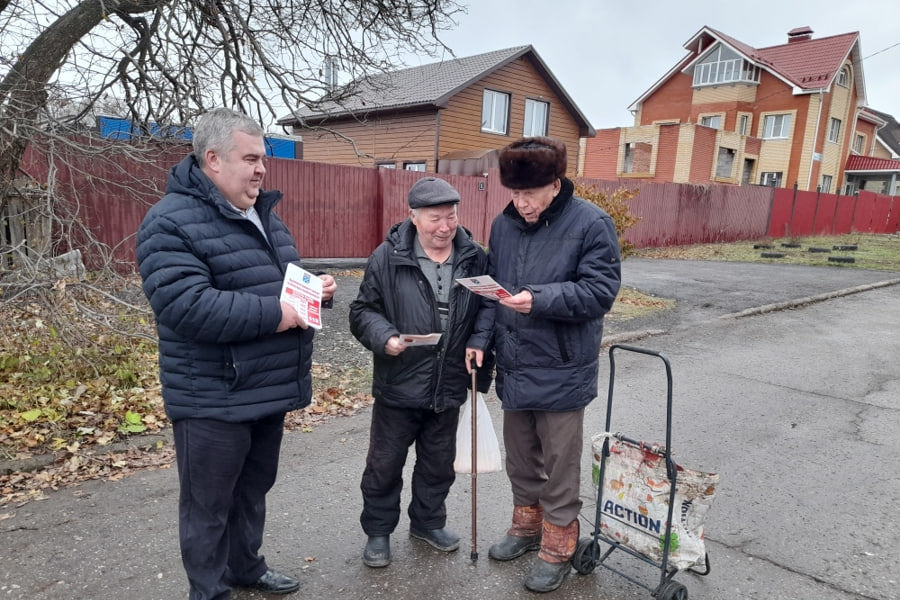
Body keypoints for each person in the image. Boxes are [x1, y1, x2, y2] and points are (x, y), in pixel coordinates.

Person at [136, 107, 337, 600]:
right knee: (208, 506)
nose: (261, 169)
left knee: (252, 491)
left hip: (264, 387)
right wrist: (281, 313)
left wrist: (314, 292)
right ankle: (209, 591)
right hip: (211, 394)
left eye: (262, 158)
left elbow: (277, 282)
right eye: (250, 159)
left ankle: (246, 567)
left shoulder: (264, 215)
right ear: (212, 160)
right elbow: (188, 306)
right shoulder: (168, 222)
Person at [465, 137, 622, 593]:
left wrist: (538, 298)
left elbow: (600, 292)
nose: (521, 204)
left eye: (529, 194)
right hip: (515, 364)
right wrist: (480, 341)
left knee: (559, 463)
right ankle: (527, 526)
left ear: (555, 185)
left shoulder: (592, 223)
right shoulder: (504, 225)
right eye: (514, 194)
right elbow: (494, 293)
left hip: (562, 365)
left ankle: (559, 541)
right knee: (521, 457)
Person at [349, 176, 493, 568]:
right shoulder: (386, 256)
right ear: (412, 217)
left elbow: (488, 309)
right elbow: (362, 312)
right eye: (434, 219)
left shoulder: (474, 256)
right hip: (399, 381)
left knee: (438, 462)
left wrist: (479, 341)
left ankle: (428, 523)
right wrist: (386, 337)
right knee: (384, 464)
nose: (445, 227)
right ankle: (378, 532)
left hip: (448, 382)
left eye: (451, 216)